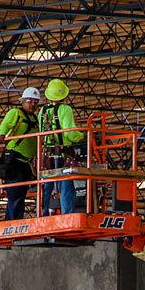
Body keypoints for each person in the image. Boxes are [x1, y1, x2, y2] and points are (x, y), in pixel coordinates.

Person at [38, 79, 84, 215]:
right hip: (62, 154)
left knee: (46, 187)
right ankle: (67, 215)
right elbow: (69, 133)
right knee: (65, 186)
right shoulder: (65, 109)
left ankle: (42, 216)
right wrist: (80, 135)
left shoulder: (42, 111)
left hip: (46, 155)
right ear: (64, 95)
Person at [0, 88, 40, 220]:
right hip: (14, 160)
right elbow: (6, 124)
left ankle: (14, 220)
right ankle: (12, 222)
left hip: (26, 162)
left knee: (21, 193)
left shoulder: (35, 119)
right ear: (22, 102)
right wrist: (2, 134)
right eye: (29, 101)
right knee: (15, 194)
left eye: (35, 102)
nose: (33, 104)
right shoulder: (16, 113)